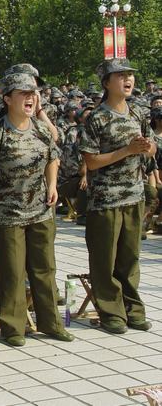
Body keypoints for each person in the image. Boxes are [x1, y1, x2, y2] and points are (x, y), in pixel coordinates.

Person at [0, 72, 73, 346]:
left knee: (45, 268)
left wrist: (52, 185)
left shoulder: (41, 129)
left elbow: (52, 158)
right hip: (8, 214)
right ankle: (13, 327)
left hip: (40, 210)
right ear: (7, 99)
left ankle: (51, 323)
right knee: (12, 272)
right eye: (23, 93)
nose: (30, 98)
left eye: (33, 93)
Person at [79, 59, 156, 334]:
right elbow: (91, 161)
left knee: (130, 259)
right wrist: (127, 150)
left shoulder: (137, 112)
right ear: (106, 83)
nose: (128, 80)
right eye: (121, 75)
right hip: (106, 200)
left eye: (130, 75)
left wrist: (147, 147)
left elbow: (151, 148)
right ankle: (111, 313)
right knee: (105, 261)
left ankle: (133, 310)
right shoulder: (96, 118)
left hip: (134, 196)